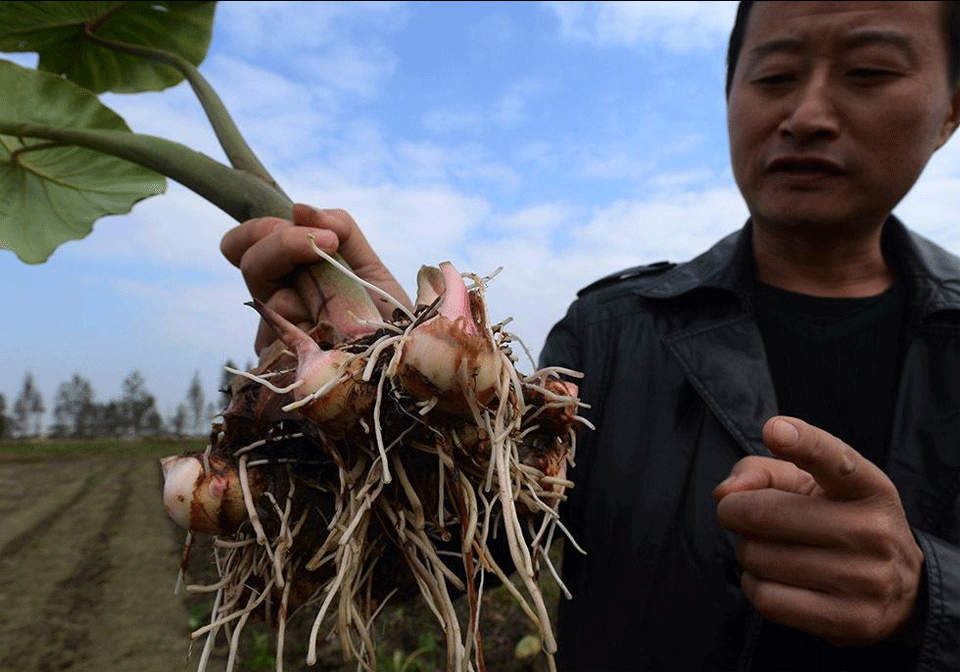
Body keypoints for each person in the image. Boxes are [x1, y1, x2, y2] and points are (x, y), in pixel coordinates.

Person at [220, 1, 960, 669]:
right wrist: (379, 412)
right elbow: (450, 557)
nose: (808, 113)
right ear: (730, 95)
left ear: (951, 107)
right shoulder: (610, 332)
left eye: (868, 71)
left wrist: (929, 592)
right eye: (773, 77)